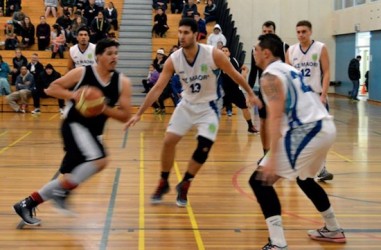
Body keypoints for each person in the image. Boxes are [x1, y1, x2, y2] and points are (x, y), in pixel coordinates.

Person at [125, 18, 261, 207]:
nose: (181, 36)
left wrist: (251, 93)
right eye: (179, 32)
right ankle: (164, 181)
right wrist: (139, 113)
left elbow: (235, 74)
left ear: (196, 35)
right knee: (168, 141)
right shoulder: (173, 59)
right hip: (187, 105)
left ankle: (186, 182)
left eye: (186, 32)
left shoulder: (212, 54)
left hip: (209, 107)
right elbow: (157, 88)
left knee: (204, 148)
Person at [13, 38, 133, 226]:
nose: (114, 57)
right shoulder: (82, 72)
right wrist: (75, 96)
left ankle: (27, 204)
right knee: (100, 160)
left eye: (116, 53)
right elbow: (51, 88)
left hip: (93, 133)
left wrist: (102, 108)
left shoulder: (122, 82)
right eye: (109, 53)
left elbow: (125, 115)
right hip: (74, 124)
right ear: (98, 56)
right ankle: (63, 193)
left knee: (68, 178)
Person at [250, 33, 346, 250]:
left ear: (266, 52)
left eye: (256, 49)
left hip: (307, 130)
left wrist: (273, 156)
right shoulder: (289, 68)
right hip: (325, 127)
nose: (254, 52)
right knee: (305, 178)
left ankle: (278, 243)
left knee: (259, 181)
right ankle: (333, 228)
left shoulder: (269, 75)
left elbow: (275, 117)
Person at [286, 20, 334, 182]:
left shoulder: (320, 47)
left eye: (304, 31)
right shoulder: (291, 50)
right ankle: (295, 165)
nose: (301, 34)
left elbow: (326, 72)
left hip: (317, 96)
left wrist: (324, 94)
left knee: (322, 134)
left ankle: (322, 168)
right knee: (297, 133)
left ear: (310, 32)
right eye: (298, 31)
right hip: (299, 99)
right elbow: (288, 77)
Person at [249, 21, 289, 164]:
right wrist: (250, 92)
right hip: (264, 91)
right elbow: (253, 72)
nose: (266, 34)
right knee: (264, 122)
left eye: (269, 32)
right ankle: (266, 153)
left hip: (281, 92)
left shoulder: (284, 48)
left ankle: (281, 154)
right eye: (264, 32)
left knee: (280, 122)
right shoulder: (256, 49)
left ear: (274, 32)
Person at [221, 46, 258, 133]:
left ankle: (250, 126)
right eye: (222, 51)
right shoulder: (218, 62)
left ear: (229, 53)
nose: (224, 52)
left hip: (235, 90)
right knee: (214, 109)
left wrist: (244, 74)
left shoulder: (234, 60)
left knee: (245, 107)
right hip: (223, 91)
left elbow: (245, 67)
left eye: (226, 51)